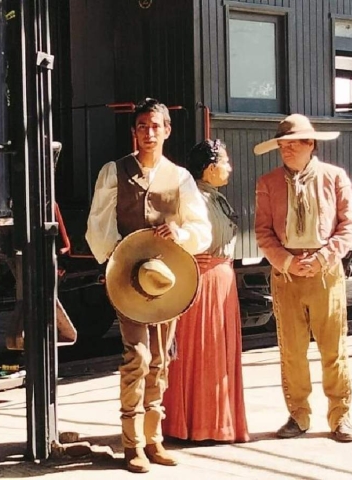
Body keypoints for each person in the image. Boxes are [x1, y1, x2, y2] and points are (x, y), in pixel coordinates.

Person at [85, 98, 211, 473]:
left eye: (155, 126)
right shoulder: (115, 171)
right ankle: (131, 443)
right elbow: (99, 226)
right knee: (136, 356)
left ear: (167, 130)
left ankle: (154, 438)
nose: (149, 132)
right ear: (134, 131)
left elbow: (201, 230)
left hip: (165, 280)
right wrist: (114, 263)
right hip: (128, 279)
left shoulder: (181, 177)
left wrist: (180, 232)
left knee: (160, 358)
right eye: (142, 126)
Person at [253, 113, 352, 443]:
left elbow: (347, 226)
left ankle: (340, 416)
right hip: (287, 275)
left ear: (311, 144)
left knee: (333, 347)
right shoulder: (268, 184)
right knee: (292, 350)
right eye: (282, 144)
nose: (286, 149)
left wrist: (324, 258)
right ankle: (298, 415)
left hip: (325, 273)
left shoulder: (334, 177)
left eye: (294, 143)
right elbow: (263, 232)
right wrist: (286, 262)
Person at [162, 139, 250, 444]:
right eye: (225, 162)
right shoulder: (191, 197)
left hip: (219, 277)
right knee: (202, 351)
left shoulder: (214, 196)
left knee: (214, 351)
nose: (229, 168)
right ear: (210, 168)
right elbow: (173, 235)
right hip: (203, 280)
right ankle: (198, 424)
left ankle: (211, 422)